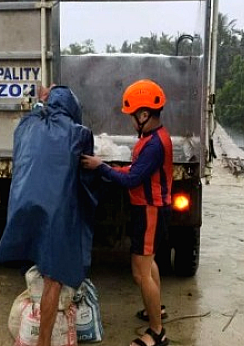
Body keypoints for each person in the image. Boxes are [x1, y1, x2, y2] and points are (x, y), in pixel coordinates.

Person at [0, 85, 96, 346]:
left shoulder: (25, 125)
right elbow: (87, 176)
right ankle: (44, 342)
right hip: (54, 211)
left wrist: (41, 102)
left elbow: (34, 114)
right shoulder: (78, 134)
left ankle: (32, 328)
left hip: (21, 206)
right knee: (54, 276)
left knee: (33, 259)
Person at [80, 79, 172, 346]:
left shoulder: (154, 144)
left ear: (144, 115)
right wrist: (111, 169)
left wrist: (100, 167)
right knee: (146, 264)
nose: (131, 120)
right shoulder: (152, 138)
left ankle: (157, 332)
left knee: (140, 271)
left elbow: (132, 180)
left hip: (150, 210)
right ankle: (157, 310)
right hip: (149, 207)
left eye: (133, 115)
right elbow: (135, 174)